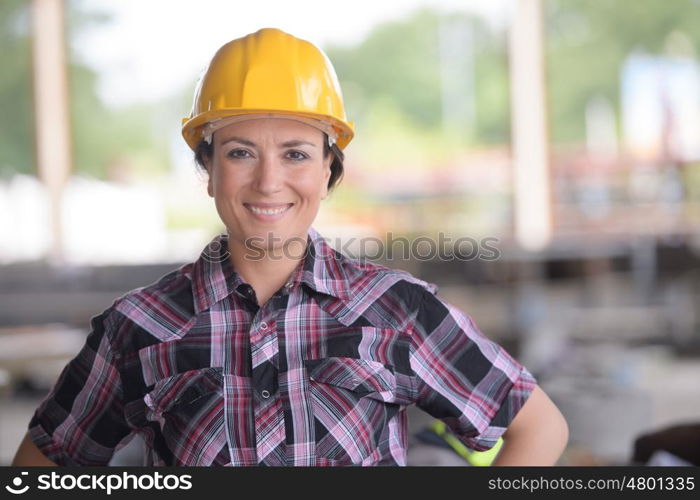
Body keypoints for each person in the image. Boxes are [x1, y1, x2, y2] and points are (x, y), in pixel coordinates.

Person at [12, 27, 568, 467]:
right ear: (208, 171)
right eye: (240, 153)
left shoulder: (398, 311)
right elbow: (48, 459)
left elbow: (538, 427)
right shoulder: (137, 327)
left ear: (329, 171)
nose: (269, 180)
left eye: (297, 154)